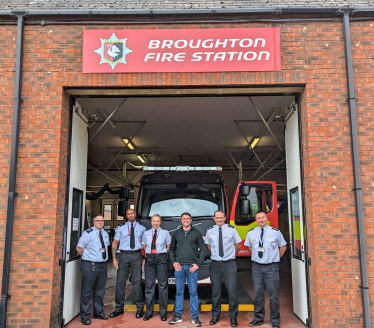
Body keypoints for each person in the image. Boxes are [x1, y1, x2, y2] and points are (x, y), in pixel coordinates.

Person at [244, 212, 287, 328]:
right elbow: (249, 247)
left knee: (273, 295)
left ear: (266, 218)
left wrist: (275, 257)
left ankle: (275, 321)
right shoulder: (251, 233)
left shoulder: (275, 232)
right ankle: (258, 318)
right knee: (258, 294)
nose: (261, 220)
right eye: (258, 218)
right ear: (256, 220)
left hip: (271, 267)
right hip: (257, 267)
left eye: (263, 217)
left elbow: (283, 247)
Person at [168, 212, 206, 327]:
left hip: (192, 268)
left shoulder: (196, 233)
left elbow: (203, 250)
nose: (185, 220)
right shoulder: (176, 234)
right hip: (179, 267)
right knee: (179, 292)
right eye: (184, 218)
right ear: (181, 220)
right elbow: (171, 250)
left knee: (193, 292)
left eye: (187, 218)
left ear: (191, 220)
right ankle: (178, 316)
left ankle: (195, 317)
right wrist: (174, 263)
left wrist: (198, 264)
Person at [205, 210, 242, 327]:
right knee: (216, 292)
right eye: (217, 218)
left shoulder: (231, 229)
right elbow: (208, 245)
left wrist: (231, 255)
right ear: (214, 218)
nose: (219, 220)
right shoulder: (210, 231)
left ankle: (233, 318)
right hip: (215, 264)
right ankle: (215, 316)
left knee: (232, 292)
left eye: (221, 218)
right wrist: (217, 256)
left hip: (229, 264)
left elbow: (238, 244)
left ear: (225, 218)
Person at [110, 208, 146, 319]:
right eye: (128, 214)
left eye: (132, 213)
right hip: (123, 255)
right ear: (126, 216)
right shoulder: (121, 229)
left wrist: (144, 259)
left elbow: (145, 244)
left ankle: (139, 309)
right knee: (120, 282)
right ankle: (118, 308)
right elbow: (115, 243)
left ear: (135, 215)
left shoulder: (142, 228)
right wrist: (114, 258)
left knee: (137, 282)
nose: (131, 215)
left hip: (137, 255)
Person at [76, 214, 110, 325]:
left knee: (100, 290)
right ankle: (85, 316)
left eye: (102, 221)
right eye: (98, 221)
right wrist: (88, 259)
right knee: (87, 291)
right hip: (90, 265)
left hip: (102, 265)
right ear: (94, 222)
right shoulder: (88, 233)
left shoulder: (105, 234)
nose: (100, 222)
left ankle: (98, 312)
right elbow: (79, 248)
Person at [141, 214, 171, 321]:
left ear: (160, 222)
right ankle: (149, 312)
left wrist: (160, 254)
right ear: (151, 222)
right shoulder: (146, 233)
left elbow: (168, 246)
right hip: (149, 259)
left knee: (163, 286)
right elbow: (145, 246)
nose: (156, 223)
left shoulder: (165, 233)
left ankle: (163, 313)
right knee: (149, 286)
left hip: (161, 258)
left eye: (158, 221)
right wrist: (149, 255)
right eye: (154, 221)